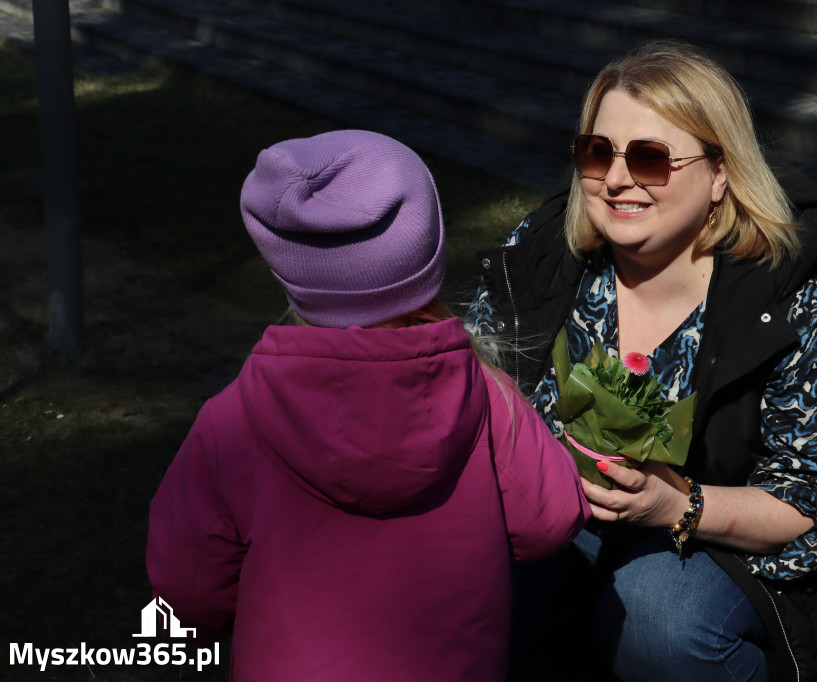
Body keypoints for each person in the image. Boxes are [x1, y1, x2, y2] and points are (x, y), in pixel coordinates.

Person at [466, 41, 817, 682]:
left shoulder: (789, 295)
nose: (614, 178)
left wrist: (679, 506)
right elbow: (478, 393)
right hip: (558, 517)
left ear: (720, 173)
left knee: (661, 616)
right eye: (596, 151)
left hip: (732, 544)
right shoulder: (540, 256)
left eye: (650, 158)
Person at [144, 130, 590, 681]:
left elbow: (186, 591)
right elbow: (552, 521)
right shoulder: (488, 399)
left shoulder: (232, 421)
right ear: (426, 251)